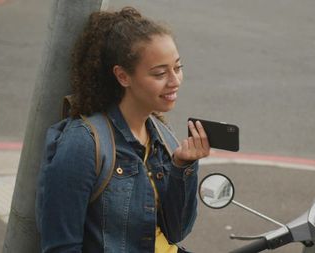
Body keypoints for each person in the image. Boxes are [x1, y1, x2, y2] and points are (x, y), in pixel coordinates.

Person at [35, 7, 210, 253]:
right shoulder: (83, 143)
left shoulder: (162, 134)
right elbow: (60, 246)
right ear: (123, 76)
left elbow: (177, 232)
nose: (175, 81)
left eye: (178, 68)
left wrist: (183, 167)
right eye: (160, 73)